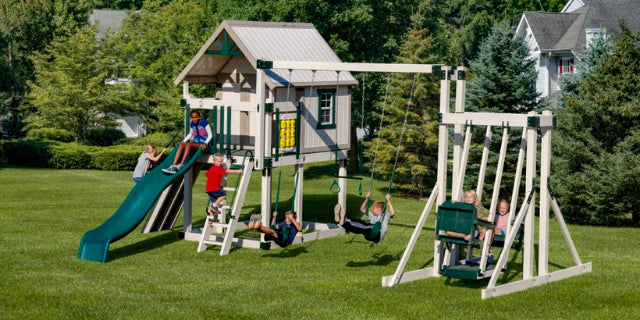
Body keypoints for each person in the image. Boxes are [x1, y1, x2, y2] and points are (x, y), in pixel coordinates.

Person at [162, 110, 212, 174]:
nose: (194, 119)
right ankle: (173, 166)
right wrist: (183, 142)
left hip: (203, 145)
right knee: (182, 144)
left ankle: (181, 164)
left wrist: (206, 143)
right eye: (192, 117)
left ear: (199, 117)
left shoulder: (204, 123)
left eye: (196, 117)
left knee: (189, 144)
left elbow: (210, 135)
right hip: (195, 144)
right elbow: (190, 134)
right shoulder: (192, 124)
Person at [205, 153, 243, 221]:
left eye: (221, 162)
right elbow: (227, 171)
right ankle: (214, 206)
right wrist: (237, 171)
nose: (219, 163)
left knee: (214, 203)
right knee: (223, 195)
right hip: (214, 188)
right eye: (218, 161)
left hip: (208, 189)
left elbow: (207, 174)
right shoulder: (217, 168)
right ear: (214, 161)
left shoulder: (212, 168)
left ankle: (211, 217)